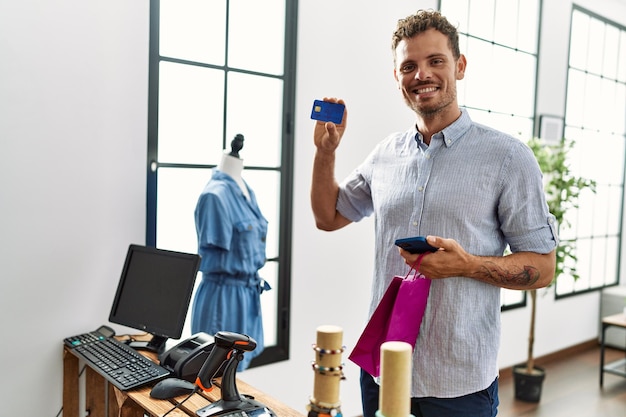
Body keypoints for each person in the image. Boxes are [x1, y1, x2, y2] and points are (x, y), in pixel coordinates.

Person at [310, 9, 558, 417]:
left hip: (457, 385)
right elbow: (328, 216)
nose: (421, 74)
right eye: (409, 66)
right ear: (397, 77)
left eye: (435, 61)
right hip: (382, 370)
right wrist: (325, 154)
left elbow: (543, 268)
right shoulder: (385, 153)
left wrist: (468, 265)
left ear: (459, 66)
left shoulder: (508, 158)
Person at [192, 135, 270, 371]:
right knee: (216, 373)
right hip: (223, 298)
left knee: (238, 371)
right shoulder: (214, 196)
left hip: (247, 296)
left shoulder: (246, 191)